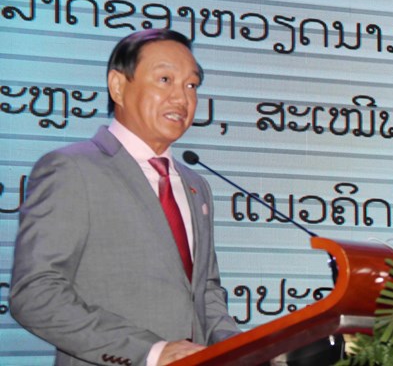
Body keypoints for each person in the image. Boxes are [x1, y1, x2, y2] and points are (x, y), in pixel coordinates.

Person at [10, 29, 240, 366]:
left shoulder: (195, 184)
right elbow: (35, 294)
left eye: (191, 85)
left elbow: (205, 292)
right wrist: (150, 351)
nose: (182, 98)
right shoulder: (72, 169)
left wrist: (242, 351)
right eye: (165, 79)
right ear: (118, 86)